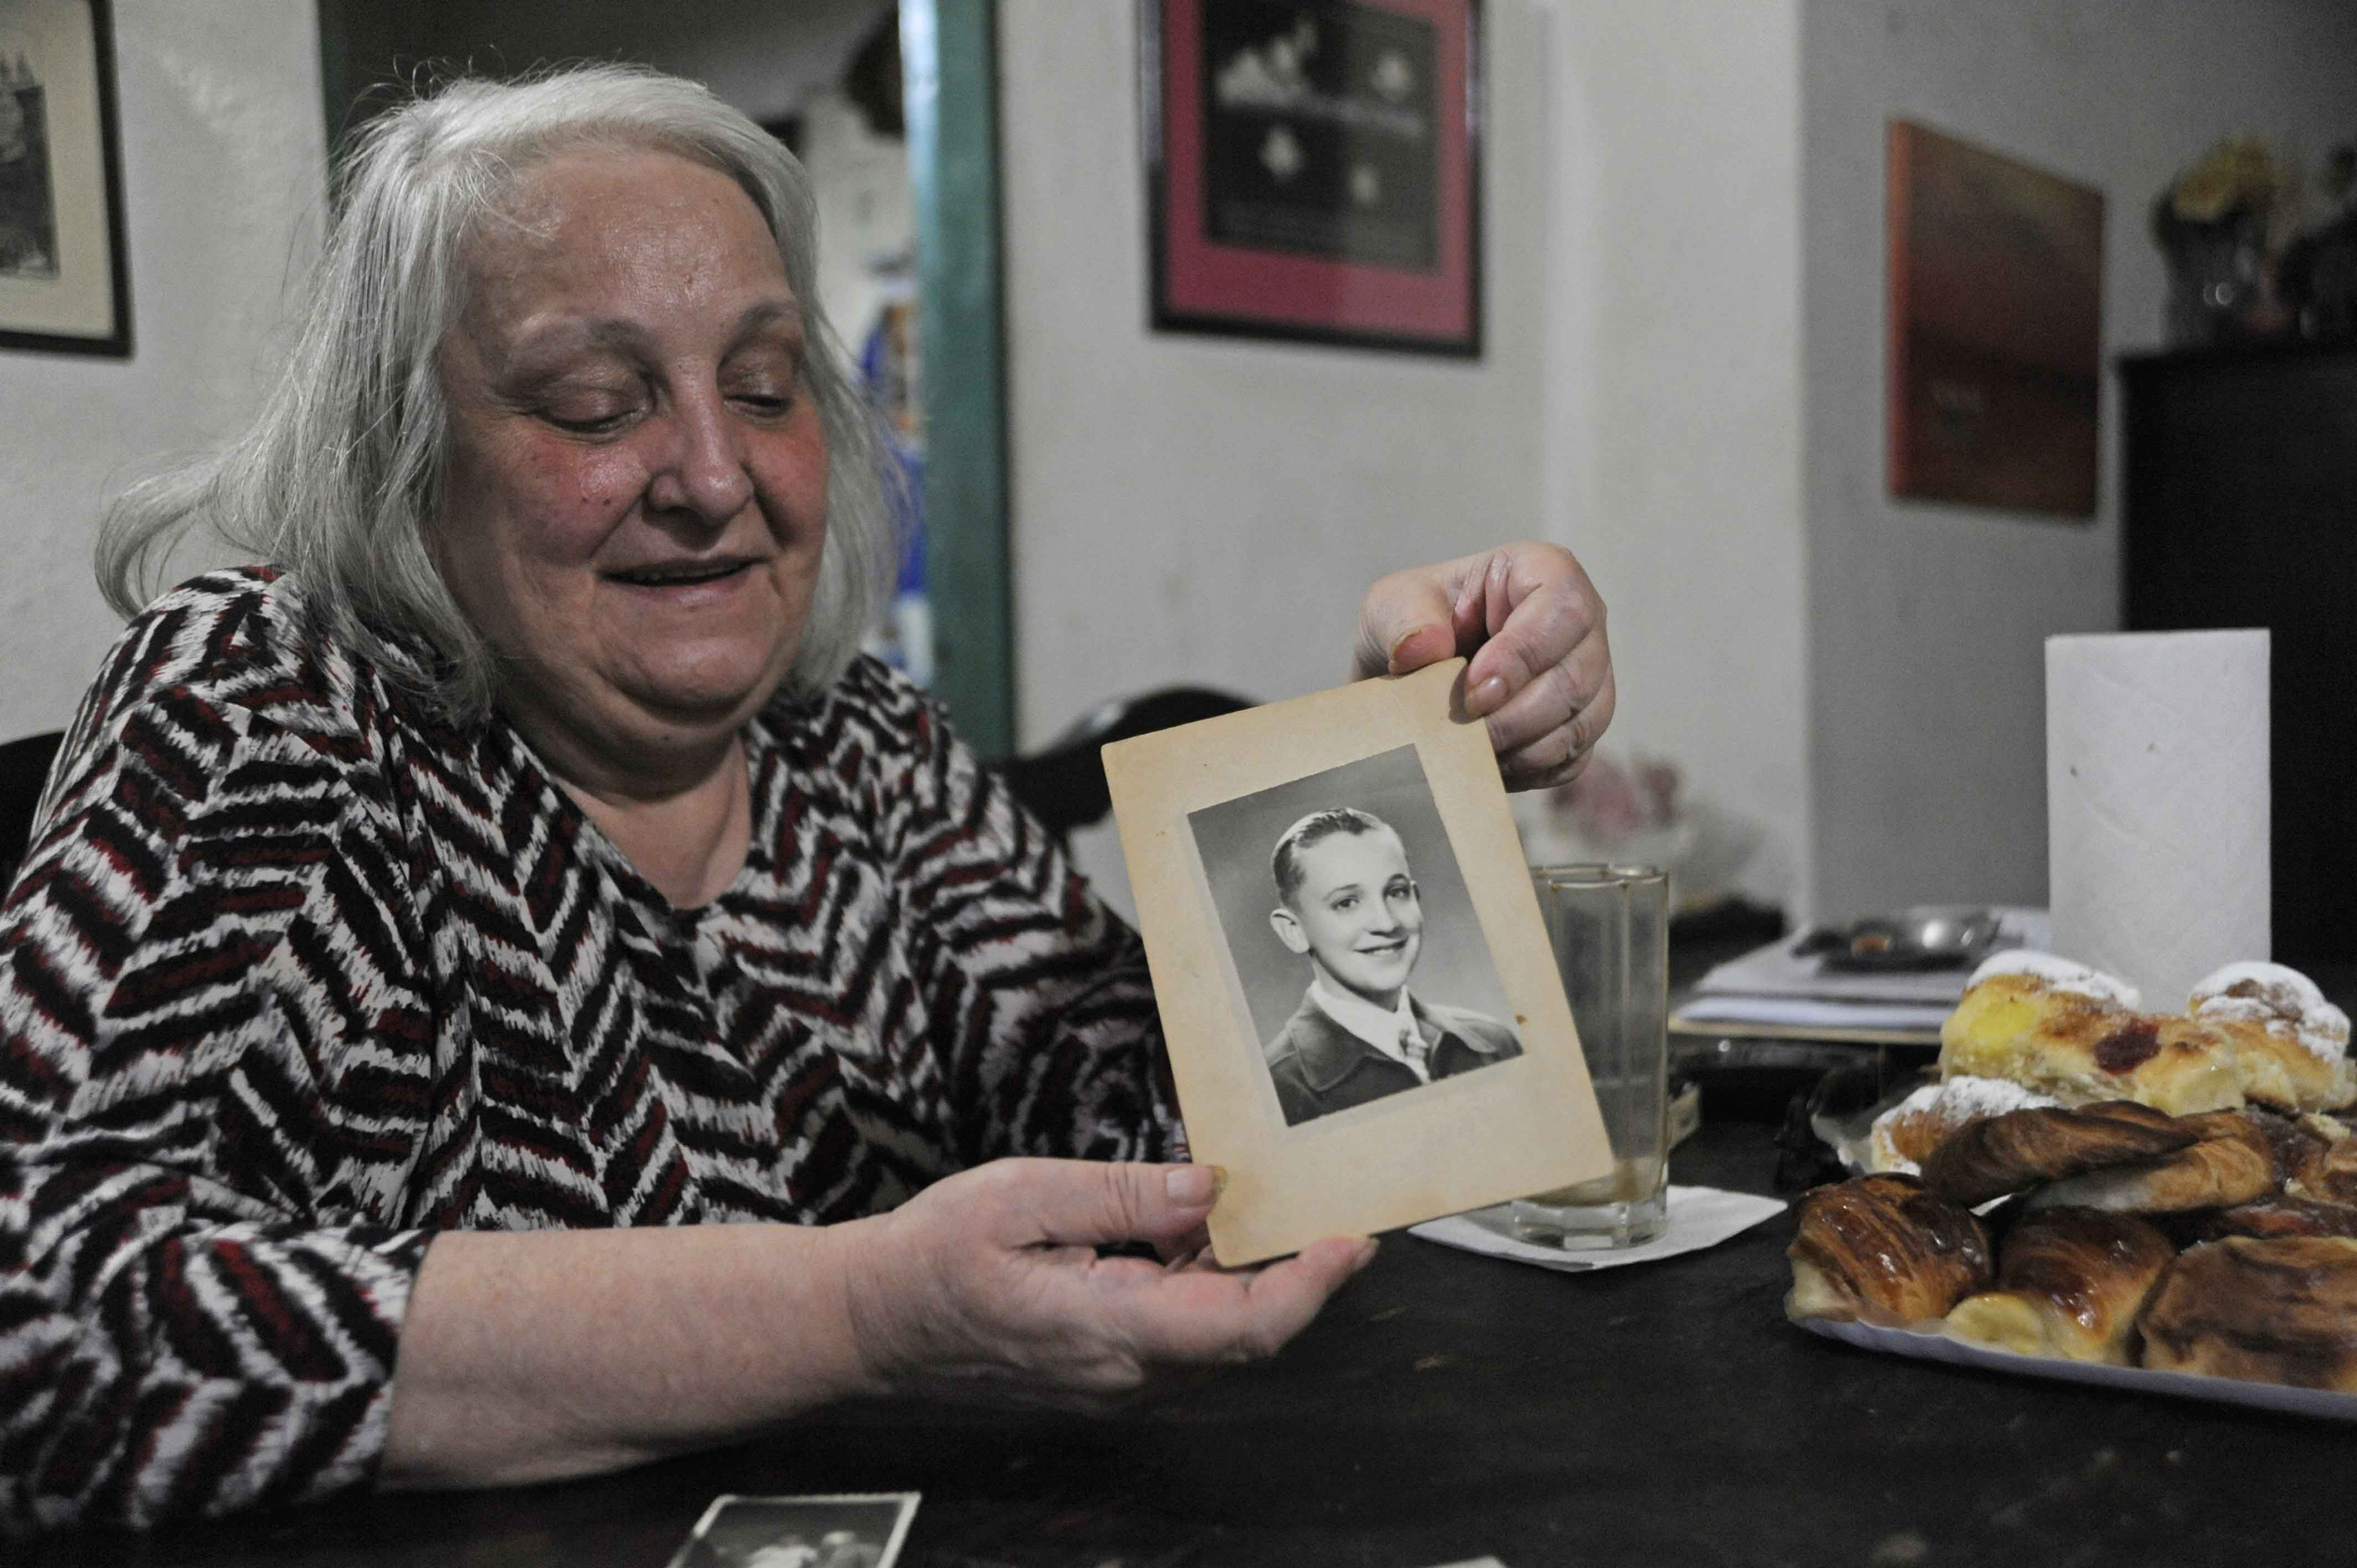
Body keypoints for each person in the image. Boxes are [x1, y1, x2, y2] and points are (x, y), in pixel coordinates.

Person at [0, 66, 1616, 1535]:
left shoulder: (851, 742)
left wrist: (1398, 753)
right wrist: (854, 1310)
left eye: (766, 386)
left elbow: (1151, 1128)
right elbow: (46, 1314)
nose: (714, 475)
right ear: (403, 450)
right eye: (593, 401)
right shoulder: (270, 697)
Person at [1262, 808, 1521, 1125]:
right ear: (1294, 930)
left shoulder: (1493, 1043)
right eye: (1346, 903)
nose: (1386, 922)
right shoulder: (1275, 1092)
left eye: (1397, 893)